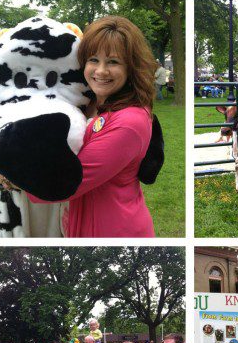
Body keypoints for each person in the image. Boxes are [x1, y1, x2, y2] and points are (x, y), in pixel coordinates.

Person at [25, 16, 157, 237]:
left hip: (113, 232)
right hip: (82, 222)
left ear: (131, 67)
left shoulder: (129, 122)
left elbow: (66, 182)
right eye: (93, 59)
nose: (101, 71)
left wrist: (6, 176)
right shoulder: (88, 104)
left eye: (113, 62)